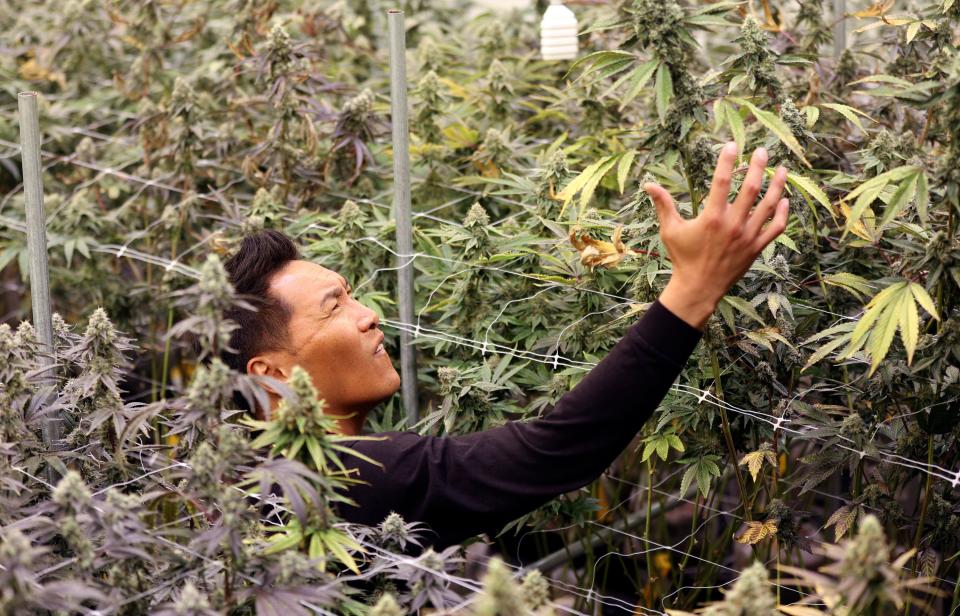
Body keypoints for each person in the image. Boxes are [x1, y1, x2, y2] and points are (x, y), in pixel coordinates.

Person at [223, 143, 790, 548]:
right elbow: (559, 448)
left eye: (353, 296)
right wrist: (694, 288)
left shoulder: (239, 473)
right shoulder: (358, 476)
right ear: (268, 373)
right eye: (334, 305)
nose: (369, 316)